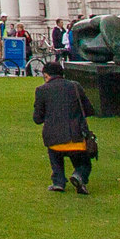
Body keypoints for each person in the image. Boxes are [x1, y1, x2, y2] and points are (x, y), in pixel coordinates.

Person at [33, 60, 97, 191]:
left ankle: (58, 181)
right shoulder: (75, 86)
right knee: (84, 163)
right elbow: (89, 110)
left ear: (46, 75)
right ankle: (79, 175)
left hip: (53, 138)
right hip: (76, 137)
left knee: (55, 156)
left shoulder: (41, 90)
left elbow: (37, 119)